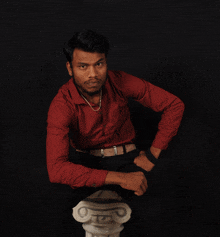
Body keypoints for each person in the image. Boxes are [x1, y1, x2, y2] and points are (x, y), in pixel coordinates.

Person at [46, 29, 185, 236]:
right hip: (86, 164)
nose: (93, 74)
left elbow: (174, 105)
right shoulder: (61, 104)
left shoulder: (119, 81)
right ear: (70, 68)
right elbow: (56, 169)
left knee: (168, 208)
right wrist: (121, 179)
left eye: (99, 64)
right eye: (83, 66)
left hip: (130, 159)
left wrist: (153, 153)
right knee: (55, 216)